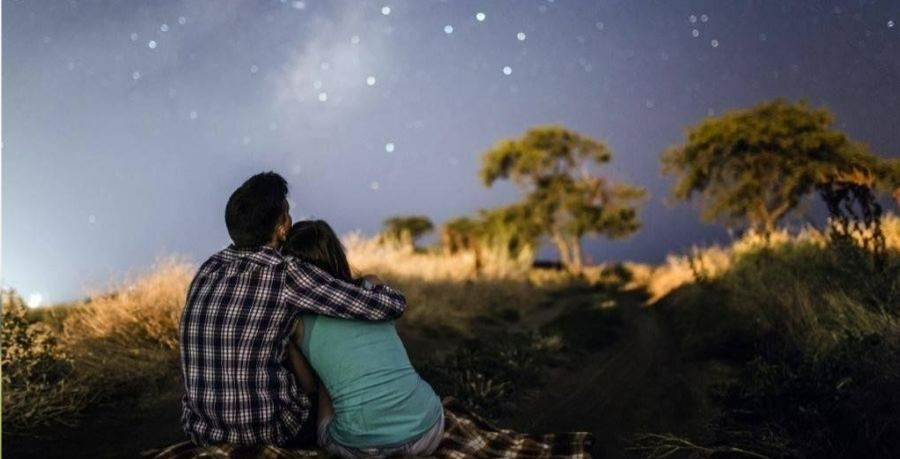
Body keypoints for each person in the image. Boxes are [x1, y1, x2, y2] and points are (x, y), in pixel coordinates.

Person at [178, 172, 408, 448]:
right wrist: (377, 286)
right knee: (317, 373)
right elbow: (391, 306)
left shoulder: (208, 269)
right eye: (287, 215)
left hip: (204, 431)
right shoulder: (286, 273)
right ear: (281, 229)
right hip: (270, 431)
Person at [282, 220, 445, 459]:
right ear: (336, 254)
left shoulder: (295, 322)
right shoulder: (372, 285)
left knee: (325, 378)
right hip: (429, 429)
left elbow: (308, 388)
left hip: (361, 447)